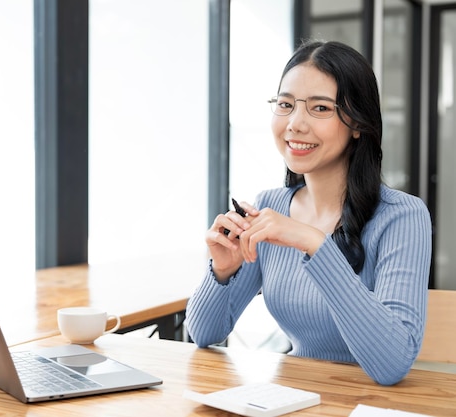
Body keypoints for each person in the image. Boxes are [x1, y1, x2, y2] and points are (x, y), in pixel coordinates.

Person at [185, 40, 432, 386]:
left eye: (320, 108)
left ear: (358, 123)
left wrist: (315, 243)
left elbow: (391, 365)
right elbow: (204, 334)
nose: (295, 124)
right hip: (291, 398)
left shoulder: (402, 216)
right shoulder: (270, 209)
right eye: (285, 104)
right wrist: (222, 271)